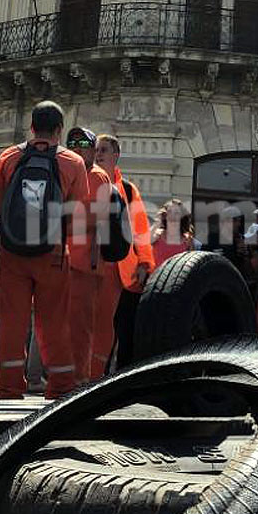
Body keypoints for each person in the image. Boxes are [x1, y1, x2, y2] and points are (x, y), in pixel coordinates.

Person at [0, 101, 89, 400]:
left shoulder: (8, 157)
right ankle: (60, 386)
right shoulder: (73, 162)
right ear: (60, 129)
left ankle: (9, 387)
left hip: (12, 251)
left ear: (32, 127)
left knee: (12, 319)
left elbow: (1, 206)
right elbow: (76, 213)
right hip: (53, 251)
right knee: (53, 320)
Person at [90, 133, 155, 376]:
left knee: (124, 331)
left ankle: (120, 380)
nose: (98, 154)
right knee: (94, 326)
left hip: (124, 273)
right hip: (92, 267)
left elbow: (141, 230)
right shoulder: (85, 180)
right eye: (96, 149)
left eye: (104, 150)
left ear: (116, 155)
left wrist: (145, 263)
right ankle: (93, 377)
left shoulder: (127, 189)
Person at [64, 126, 113, 384]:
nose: (77, 148)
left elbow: (95, 216)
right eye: (72, 144)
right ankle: (62, 379)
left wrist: (58, 224)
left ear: (93, 151)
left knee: (79, 327)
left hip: (84, 264)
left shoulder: (97, 176)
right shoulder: (66, 172)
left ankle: (78, 380)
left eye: (83, 144)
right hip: (61, 261)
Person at [152, 198, 198, 265]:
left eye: (176, 213)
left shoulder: (187, 240)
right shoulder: (156, 234)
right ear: (165, 215)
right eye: (170, 212)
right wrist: (157, 222)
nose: (172, 216)